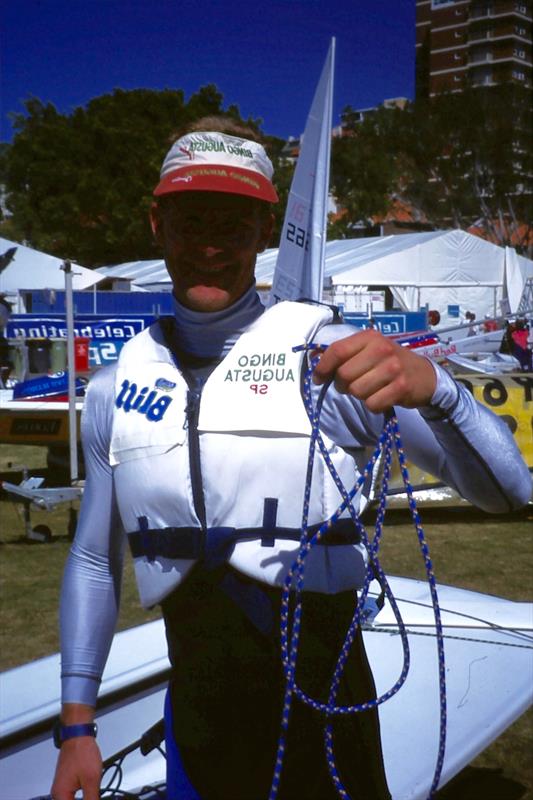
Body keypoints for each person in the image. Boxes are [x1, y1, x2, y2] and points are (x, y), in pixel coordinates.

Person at [51, 118, 532, 800]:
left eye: (235, 225)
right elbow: (94, 560)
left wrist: (439, 391)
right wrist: (77, 727)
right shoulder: (113, 387)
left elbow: (507, 495)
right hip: (200, 731)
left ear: (263, 234)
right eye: (192, 221)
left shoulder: (329, 362)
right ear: (157, 224)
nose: (211, 247)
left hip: (327, 736)